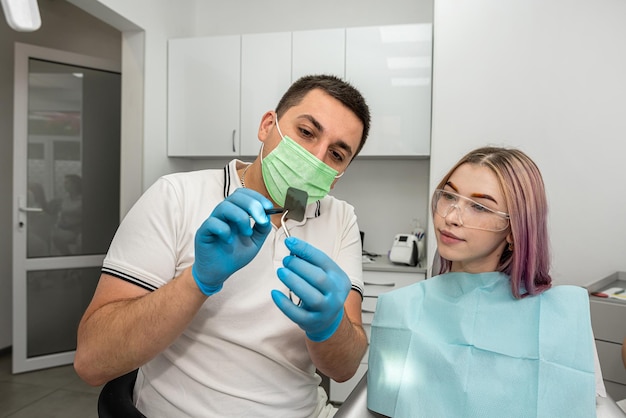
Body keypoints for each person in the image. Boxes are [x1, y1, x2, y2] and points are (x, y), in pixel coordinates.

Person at [74, 74, 371, 417]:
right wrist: (197, 280)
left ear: (340, 173)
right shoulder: (177, 196)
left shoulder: (341, 219)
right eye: (306, 132)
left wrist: (329, 325)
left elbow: (344, 368)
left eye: (336, 154)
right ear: (266, 126)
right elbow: (92, 361)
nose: (316, 158)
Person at [367, 147, 598, 417]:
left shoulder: (561, 322)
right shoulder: (401, 310)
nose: (451, 217)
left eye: (479, 206)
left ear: (514, 230)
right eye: (449, 196)